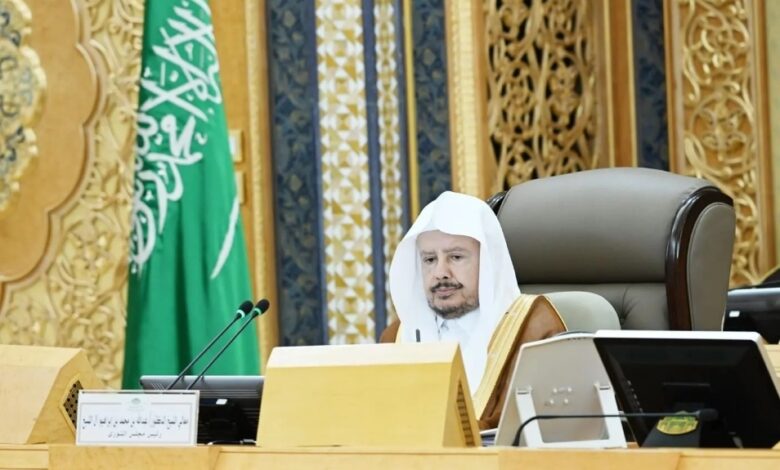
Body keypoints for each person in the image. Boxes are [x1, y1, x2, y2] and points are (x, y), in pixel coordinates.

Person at [380, 191, 568, 428]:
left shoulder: (534, 327)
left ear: (488, 262)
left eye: (456, 257)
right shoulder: (396, 337)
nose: (440, 273)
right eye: (429, 259)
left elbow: (550, 429)